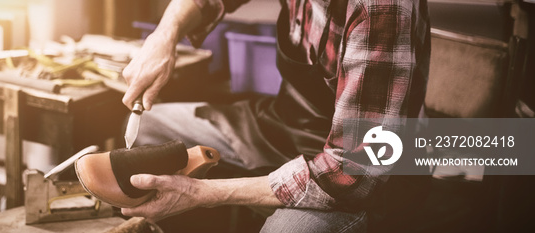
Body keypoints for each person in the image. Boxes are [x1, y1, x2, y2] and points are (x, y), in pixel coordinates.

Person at [120, 0, 431, 232]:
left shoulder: (382, 10)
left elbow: (352, 171)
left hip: (363, 171)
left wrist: (202, 194)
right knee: (150, 129)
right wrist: (165, 34)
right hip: (285, 123)